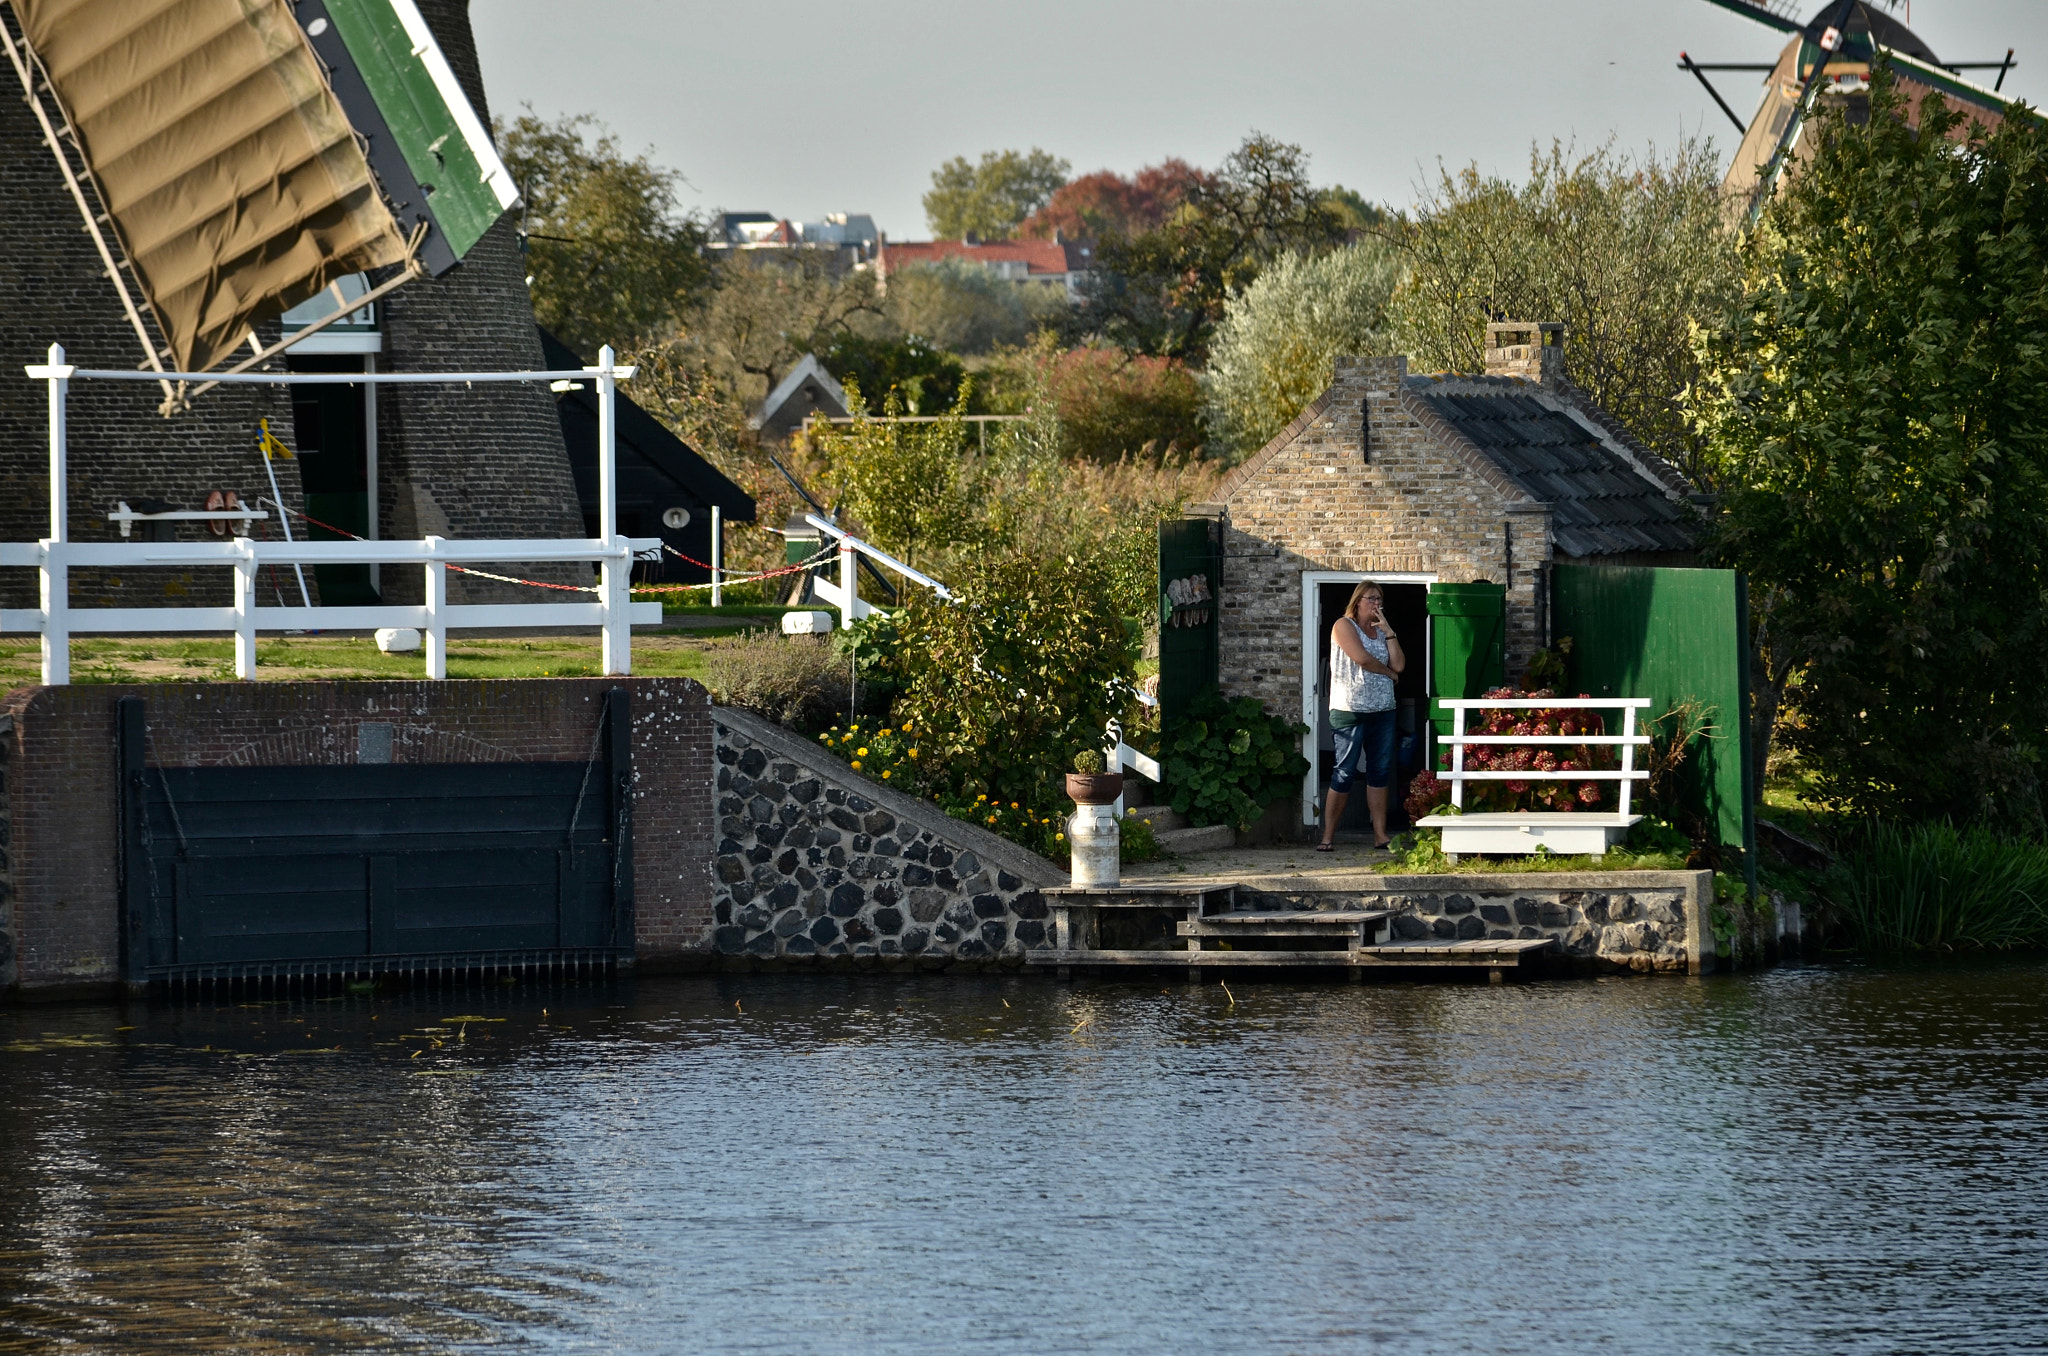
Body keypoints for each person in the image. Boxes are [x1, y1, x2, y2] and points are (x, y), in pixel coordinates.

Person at [1320, 580, 1405, 850]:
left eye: (1380, 599)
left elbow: (1400, 664)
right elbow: (1361, 658)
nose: (1377, 604)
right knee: (1344, 772)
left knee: (1379, 771)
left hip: (1383, 710)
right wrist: (1389, 674)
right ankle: (1328, 836)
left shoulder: (1381, 632)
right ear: (1358, 601)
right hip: (1350, 710)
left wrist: (1390, 633)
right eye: (1371, 599)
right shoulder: (1344, 625)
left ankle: (1380, 835)